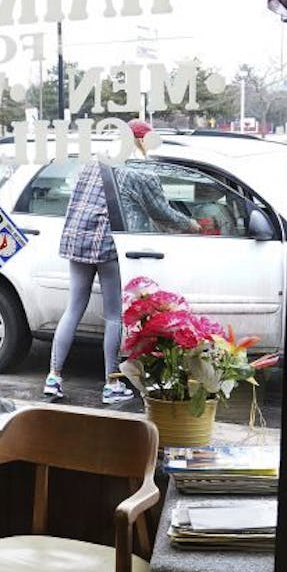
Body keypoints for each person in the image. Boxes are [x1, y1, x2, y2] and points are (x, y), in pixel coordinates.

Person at [44, 120, 198, 403]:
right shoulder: (140, 172)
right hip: (107, 244)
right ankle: (110, 384)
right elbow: (162, 213)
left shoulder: (94, 162)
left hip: (77, 239)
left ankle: (53, 377)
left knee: (73, 308)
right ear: (140, 142)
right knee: (113, 315)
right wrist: (193, 225)